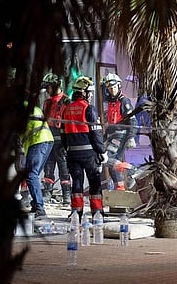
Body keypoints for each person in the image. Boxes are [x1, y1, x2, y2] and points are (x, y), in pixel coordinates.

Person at [61, 76, 107, 218]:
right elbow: (96, 132)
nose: (91, 95)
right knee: (94, 181)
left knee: (77, 183)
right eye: (89, 92)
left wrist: (67, 149)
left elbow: (63, 135)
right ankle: (97, 212)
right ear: (83, 92)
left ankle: (76, 212)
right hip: (89, 154)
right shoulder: (89, 109)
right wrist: (102, 151)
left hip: (72, 154)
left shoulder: (66, 109)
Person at [41, 72, 72, 205]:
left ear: (55, 86)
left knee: (64, 169)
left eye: (48, 87)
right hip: (48, 140)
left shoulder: (66, 101)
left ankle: (66, 195)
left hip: (62, 141)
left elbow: (70, 124)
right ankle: (47, 193)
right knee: (48, 168)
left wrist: (68, 143)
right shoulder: (47, 103)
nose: (47, 90)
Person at [102, 73, 137, 190]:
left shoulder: (124, 101)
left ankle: (132, 170)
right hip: (112, 135)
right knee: (113, 164)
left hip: (121, 135)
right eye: (109, 88)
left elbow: (132, 119)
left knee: (106, 158)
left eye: (113, 87)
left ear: (118, 86)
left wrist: (131, 137)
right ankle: (119, 188)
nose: (112, 90)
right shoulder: (111, 102)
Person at [19, 102, 54, 219]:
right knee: (34, 174)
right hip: (46, 139)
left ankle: (40, 208)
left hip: (38, 141)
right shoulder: (30, 105)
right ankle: (36, 204)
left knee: (31, 175)